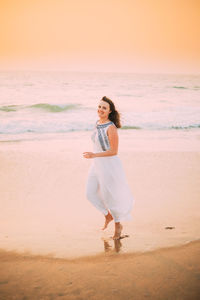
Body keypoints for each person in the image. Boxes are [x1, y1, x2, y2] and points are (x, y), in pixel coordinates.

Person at [83, 96, 134, 240]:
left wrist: (94, 155)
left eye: (104, 108)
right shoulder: (97, 123)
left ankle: (118, 226)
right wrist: (94, 157)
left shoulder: (111, 127)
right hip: (96, 164)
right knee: (90, 193)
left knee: (110, 196)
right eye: (99, 106)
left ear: (110, 111)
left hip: (109, 165)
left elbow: (114, 151)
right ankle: (108, 216)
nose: (100, 109)